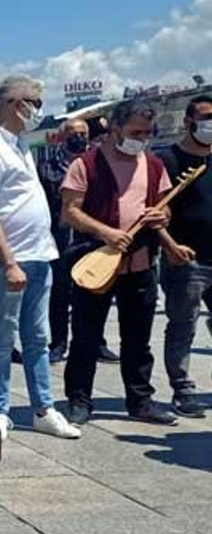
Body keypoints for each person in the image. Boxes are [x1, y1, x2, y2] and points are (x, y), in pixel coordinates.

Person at [0, 76, 81, 440]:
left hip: (38, 254)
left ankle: (43, 408)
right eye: (35, 101)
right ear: (16, 104)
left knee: (38, 338)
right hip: (7, 261)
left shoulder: (20, 146)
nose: (38, 109)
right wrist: (9, 262)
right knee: (4, 337)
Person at [61, 100, 186, 426]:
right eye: (135, 132)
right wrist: (106, 232)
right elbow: (70, 211)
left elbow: (165, 208)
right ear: (114, 128)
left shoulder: (154, 164)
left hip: (141, 264)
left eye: (147, 132)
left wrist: (162, 215)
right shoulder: (86, 164)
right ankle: (79, 400)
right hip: (96, 264)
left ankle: (140, 401)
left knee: (138, 339)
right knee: (86, 337)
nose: (141, 138)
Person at [40, 119, 119, 364]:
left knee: (95, 290)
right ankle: (58, 342)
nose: (79, 137)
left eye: (83, 133)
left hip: (91, 235)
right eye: (74, 133)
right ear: (63, 137)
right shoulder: (47, 165)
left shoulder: (99, 161)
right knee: (59, 293)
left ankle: (97, 342)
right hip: (60, 237)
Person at [157, 95, 212, 418]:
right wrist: (169, 245)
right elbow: (154, 211)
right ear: (188, 122)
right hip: (186, 260)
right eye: (205, 117)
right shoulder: (169, 160)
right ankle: (182, 388)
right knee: (183, 324)